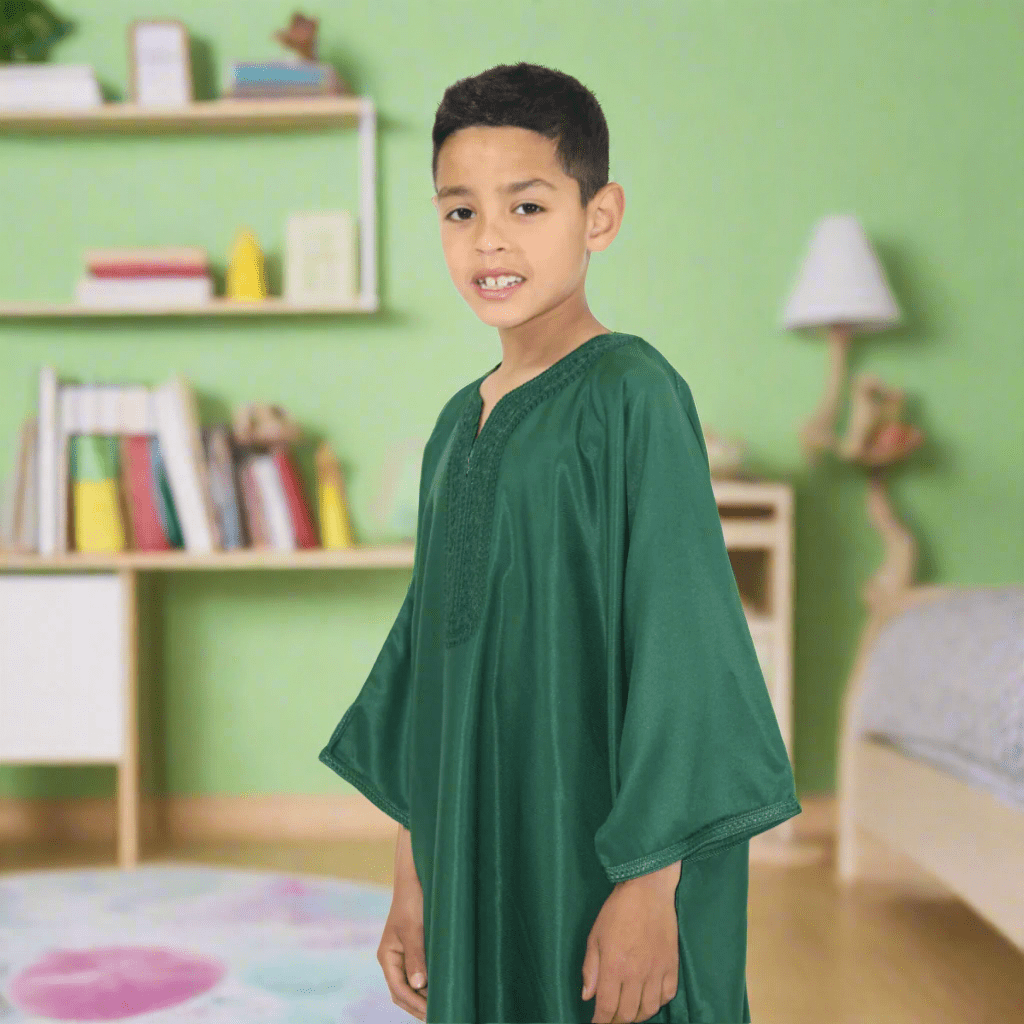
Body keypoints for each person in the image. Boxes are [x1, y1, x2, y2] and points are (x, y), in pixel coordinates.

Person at [319, 62, 801, 1024]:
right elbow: (427, 672)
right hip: (476, 847)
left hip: (609, 856)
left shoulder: (635, 396)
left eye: (527, 206)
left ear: (600, 216)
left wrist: (648, 887)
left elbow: (685, 649)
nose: (489, 239)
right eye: (459, 213)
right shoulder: (457, 428)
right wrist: (414, 881)